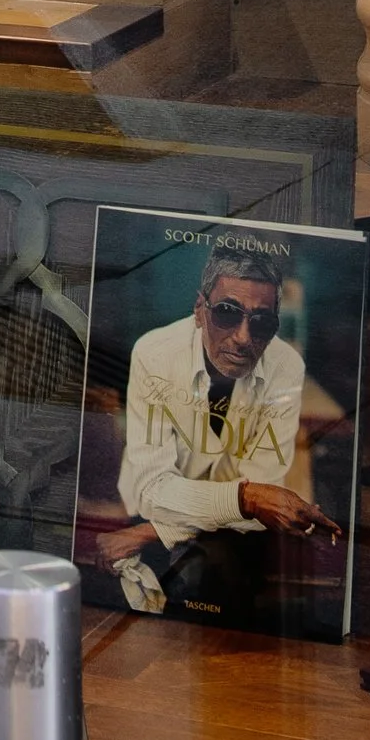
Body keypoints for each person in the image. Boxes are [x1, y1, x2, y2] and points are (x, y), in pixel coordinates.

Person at [108, 234, 339, 622]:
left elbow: (260, 499)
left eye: (262, 322)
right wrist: (247, 499)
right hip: (156, 526)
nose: (244, 338)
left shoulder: (285, 366)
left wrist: (154, 531)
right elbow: (152, 491)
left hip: (220, 539)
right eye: (227, 313)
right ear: (200, 309)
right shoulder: (155, 353)